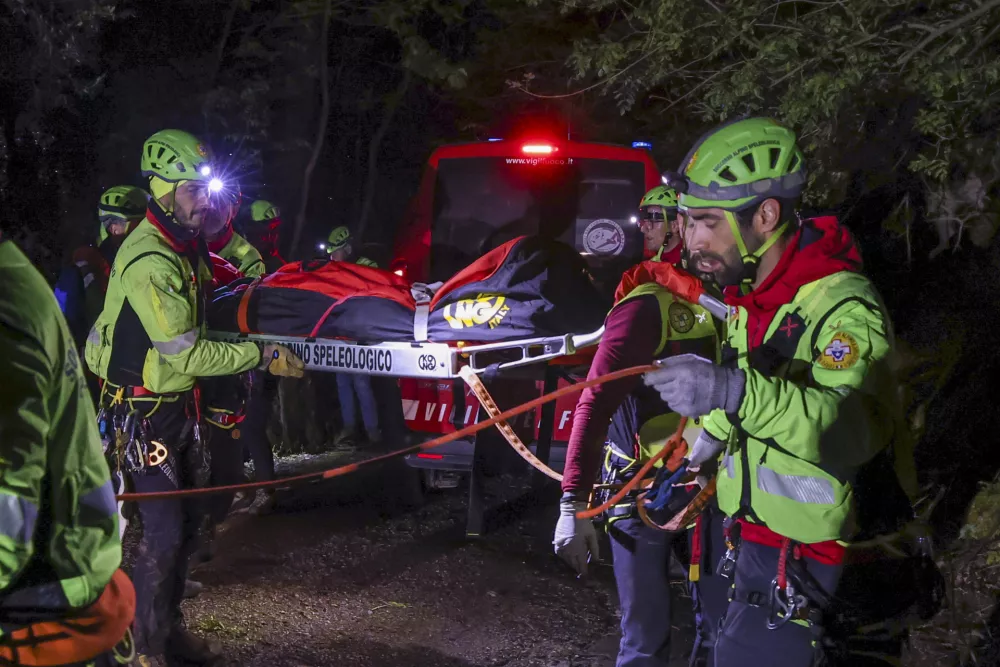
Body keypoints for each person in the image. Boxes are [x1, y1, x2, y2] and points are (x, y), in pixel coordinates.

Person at [644, 117, 914, 667]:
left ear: (765, 216)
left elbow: (846, 428)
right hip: (755, 541)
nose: (691, 240)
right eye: (685, 222)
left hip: (814, 559)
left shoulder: (841, 309)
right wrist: (701, 448)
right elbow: (764, 387)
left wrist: (726, 389)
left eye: (705, 223)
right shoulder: (757, 297)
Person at [85, 128, 305, 667]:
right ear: (162, 191)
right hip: (142, 413)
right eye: (192, 191)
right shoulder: (152, 261)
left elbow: (203, 330)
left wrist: (257, 339)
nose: (203, 202)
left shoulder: (186, 246)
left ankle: (166, 630)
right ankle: (142, 646)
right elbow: (186, 354)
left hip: (175, 404)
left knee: (188, 526)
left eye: (205, 192)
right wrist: (260, 356)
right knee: (162, 533)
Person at [554, 186, 727, 667]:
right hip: (641, 490)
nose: (643, 224)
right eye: (643, 215)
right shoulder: (643, 304)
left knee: (720, 633)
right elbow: (595, 402)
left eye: (656, 215)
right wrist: (574, 502)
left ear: (681, 224)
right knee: (645, 641)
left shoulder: (728, 302)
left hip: (711, 488)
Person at [0, 233, 135, 666]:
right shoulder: (18, 280)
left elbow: (7, 514)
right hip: (62, 580)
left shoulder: (7, 313)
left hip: (41, 604)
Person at [55, 185, 148, 351]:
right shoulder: (82, 271)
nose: (149, 231)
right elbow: (62, 330)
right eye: (140, 224)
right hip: (96, 367)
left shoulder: (148, 262)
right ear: (115, 229)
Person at [325, 225, 381, 445]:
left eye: (334, 251)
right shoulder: (333, 270)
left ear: (347, 249)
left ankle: (372, 432)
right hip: (340, 333)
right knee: (343, 382)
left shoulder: (366, 267)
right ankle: (350, 430)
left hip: (359, 333)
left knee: (361, 382)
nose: (331, 256)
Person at [202, 187, 266, 278]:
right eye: (204, 201)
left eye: (219, 202)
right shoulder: (182, 244)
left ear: (234, 210)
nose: (211, 207)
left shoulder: (248, 258)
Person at [638, 185, 683, 263]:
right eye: (646, 219)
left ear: (675, 225)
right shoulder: (654, 263)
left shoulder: (687, 269)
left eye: (654, 219)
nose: (643, 229)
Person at [243, 199, 286, 273]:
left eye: (275, 228)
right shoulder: (242, 254)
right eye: (271, 227)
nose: (274, 235)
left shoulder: (276, 263)